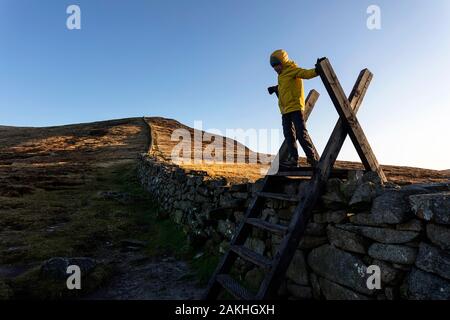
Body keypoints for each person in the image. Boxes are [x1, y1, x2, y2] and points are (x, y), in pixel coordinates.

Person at [268, 49, 320, 168]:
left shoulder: (292, 70)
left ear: (284, 62)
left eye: (277, 65)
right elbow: (285, 87)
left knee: (301, 134)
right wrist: (275, 88)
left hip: (296, 108)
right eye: (274, 67)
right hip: (285, 111)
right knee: (288, 135)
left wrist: (318, 69)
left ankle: (312, 158)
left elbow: (306, 74)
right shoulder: (281, 77)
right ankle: (293, 159)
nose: (276, 68)